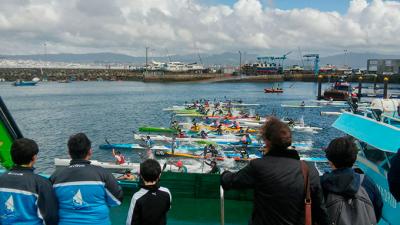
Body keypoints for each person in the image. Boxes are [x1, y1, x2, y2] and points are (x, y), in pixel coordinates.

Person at [221, 117, 328, 225]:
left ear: (267, 141)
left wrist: (225, 173)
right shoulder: (309, 169)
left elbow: (229, 181)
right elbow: (320, 210)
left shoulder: (258, 166)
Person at [50, 133, 123, 225]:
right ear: (90, 152)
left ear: (69, 153)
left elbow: (48, 205)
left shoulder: (56, 176)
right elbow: (117, 200)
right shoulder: (102, 174)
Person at [321, 136, 383, 224]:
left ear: (330, 161)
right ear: (354, 159)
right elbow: (378, 209)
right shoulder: (366, 182)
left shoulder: (322, 183)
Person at [0, 138, 58, 225]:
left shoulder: (1, 178)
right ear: (34, 158)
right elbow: (50, 217)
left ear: (12, 156)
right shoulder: (41, 183)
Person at [126, 159, 171, 225]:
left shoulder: (137, 197)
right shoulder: (167, 192)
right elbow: (167, 208)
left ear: (141, 176)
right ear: (159, 175)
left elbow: (130, 222)